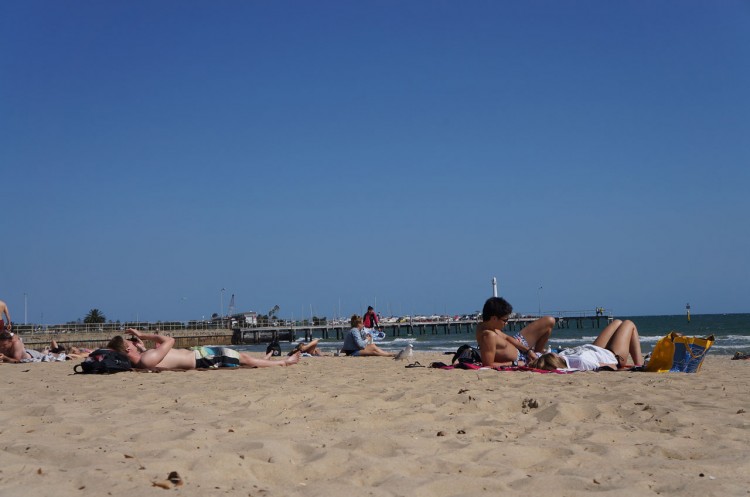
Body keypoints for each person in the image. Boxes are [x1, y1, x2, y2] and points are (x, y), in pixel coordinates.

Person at [109, 328, 300, 370]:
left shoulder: (142, 360)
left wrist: (141, 345)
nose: (135, 342)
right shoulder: (145, 360)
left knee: (242, 360)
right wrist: (144, 335)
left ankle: (269, 362)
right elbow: (170, 340)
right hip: (201, 358)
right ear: (127, 348)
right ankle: (284, 362)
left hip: (200, 357)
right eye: (131, 342)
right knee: (242, 358)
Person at [528, 319, 644, 371]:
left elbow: (541, 359)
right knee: (629, 324)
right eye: (552, 354)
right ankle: (641, 365)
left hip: (594, 348)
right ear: (555, 358)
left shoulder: (563, 356)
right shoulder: (581, 361)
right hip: (612, 355)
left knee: (617, 322)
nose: (553, 352)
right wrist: (631, 368)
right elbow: (609, 366)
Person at [476, 297, 554, 368]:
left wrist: (528, 351)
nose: (506, 323)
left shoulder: (486, 326)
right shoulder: (488, 336)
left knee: (549, 321)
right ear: (494, 318)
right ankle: (537, 357)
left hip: (519, 344)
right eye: (505, 320)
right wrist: (515, 363)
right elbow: (488, 365)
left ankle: (536, 354)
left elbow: (507, 337)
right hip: (520, 358)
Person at [0, 331, 68, 362]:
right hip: (29, 352)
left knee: (53, 355)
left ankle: (69, 354)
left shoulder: (16, 344)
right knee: (46, 352)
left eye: (4, 345)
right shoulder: (3, 345)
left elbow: (17, 360)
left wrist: (5, 357)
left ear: (10, 341)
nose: (2, 347)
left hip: (32, 355)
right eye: (1, 345)